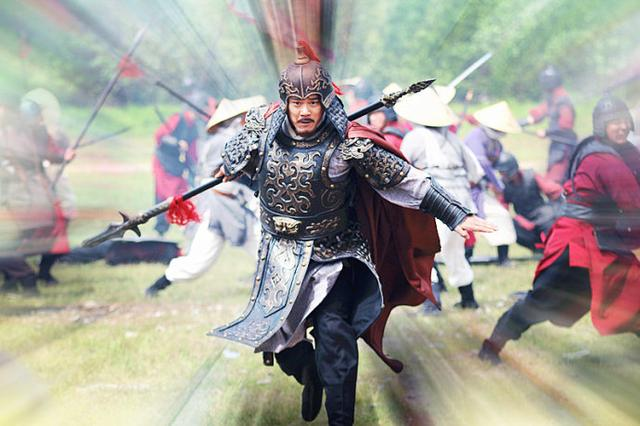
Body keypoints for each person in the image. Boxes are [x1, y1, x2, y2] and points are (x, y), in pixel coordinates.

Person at [209, 42, 495, 424]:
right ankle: (308, 370)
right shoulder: (263, 133)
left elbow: (404, 179)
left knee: (334, 333)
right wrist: (237, 165)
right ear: (285, 103)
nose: (305, 111)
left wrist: (455, 213)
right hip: (281, 255)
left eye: (313, 102)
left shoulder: (348, 144)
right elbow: (234, 162)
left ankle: (340, 419)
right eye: (297, 103)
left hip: (335, 254)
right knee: (279, 339)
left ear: (326, 101)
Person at [479, 96, 640, 365]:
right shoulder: (603, 159)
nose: (622, 126)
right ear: (602, 125)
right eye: (614, 122)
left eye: (624, 121)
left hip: (603, 241)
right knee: (541, 302)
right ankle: (490, 348)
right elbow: (633, 204)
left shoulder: (618, 151)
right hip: (577, 244)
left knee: (633, 294)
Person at [145, 97, 264, 297]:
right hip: (217, 207)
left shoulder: (235, 138)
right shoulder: (225, 141)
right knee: (198, 263)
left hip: (235, 205)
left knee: (264, 248)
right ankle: (158, 285)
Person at [397, 87, 485, 309]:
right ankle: (468, 300)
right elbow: (475, 173)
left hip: (435, 203)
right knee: (455, 252)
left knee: (425, 252)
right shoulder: (455, 139)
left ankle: (432, 305)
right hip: (462, 205)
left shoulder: (414, 137)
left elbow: (402, 169)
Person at [464, 101, 521, 265]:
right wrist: (497, 184)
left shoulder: (495, 142)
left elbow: (496, 164)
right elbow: (483, 165)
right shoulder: (476, 137)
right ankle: (466, 258)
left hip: (480, 189)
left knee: (501, 216)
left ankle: (503, 259)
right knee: (464, 223)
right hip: (465, 188)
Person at [494, 151, 562, 252]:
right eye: (501, 172)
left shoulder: (531, 175)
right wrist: (518, 219)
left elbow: (553, 191)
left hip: (543, 216)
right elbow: (502, 209)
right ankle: (536, 249)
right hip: (524, 220)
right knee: (505, 224)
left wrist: (558, 207)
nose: (503, 175)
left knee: (551, 221)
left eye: (504, 172)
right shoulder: (503, 186)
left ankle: (553, 249)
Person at [522, 65, 578, 183]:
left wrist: (546, 132)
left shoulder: (562, 101)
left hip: (564, 146)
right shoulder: (553, 98)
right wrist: (521, 122)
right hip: (557, 145)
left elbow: (566, 126)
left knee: (555, 180)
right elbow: (538, 114)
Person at [152, 109, 199, 236]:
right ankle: (161, 229)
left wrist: (193, 168)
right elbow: (160, 137)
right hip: (163, 163)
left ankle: (187, 226)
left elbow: (192, 151)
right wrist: (177, 143)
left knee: (181, 194)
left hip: (177, 165)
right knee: (162, 196)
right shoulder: (178, 118)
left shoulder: (193, 126)